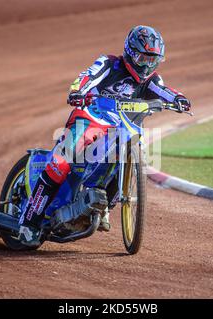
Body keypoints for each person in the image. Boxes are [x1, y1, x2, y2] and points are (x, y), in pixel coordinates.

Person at [18, 25, 191, 246]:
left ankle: (103, 207)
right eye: (142, 57)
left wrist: (179, 99)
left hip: (125, 130)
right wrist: (77, 91)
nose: (146, 65)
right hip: (91, 119)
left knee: (129, 159)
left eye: (152, 60)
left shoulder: (152, 80)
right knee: (60, 163)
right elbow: (87, 76)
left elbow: (164, 92)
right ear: (130, 51)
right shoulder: (109, 63)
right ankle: (29, 222)